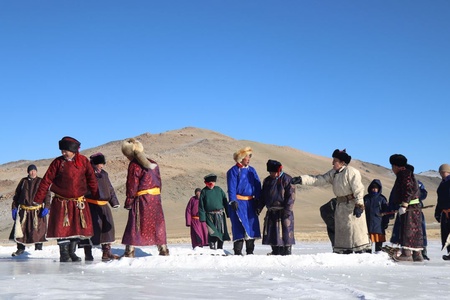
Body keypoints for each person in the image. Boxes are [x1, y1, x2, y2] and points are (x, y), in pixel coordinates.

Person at [291, 149, 371, 254]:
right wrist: (301, 179)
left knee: (355, 232)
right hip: (340, 206)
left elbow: (358, 189)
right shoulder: (333, 173)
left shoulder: (351, 172)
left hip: (352, 206)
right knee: (343, 232)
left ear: (342, 162)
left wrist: (359, 205)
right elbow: (319, 179)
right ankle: (344, 251)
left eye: (335, 160)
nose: (332, 162)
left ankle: (361, 254)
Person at [33, 136, 99, 262]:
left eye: (65, 151)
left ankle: (71, 252)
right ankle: (64, 254)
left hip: (78, 202)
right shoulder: (58, 162)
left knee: (75, 229)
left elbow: (92, 179)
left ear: (73, 150)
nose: (63, 153)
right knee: (62, 229)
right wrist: (39, 198)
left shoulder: (84, 161)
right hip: (61, 202)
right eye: (62, 151)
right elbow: (46, 180)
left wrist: (96, 195)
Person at [121, 138, 169, 257]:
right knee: (158, 224)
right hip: (155, 199)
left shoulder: (134, 165)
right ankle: (163, 249)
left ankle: (129, 251)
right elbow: (159, 182)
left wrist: (129, 201)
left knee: (134, 223)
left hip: (142, 200)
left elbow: (132, 185)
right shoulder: (154, 163)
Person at [79, 153, 120, 261]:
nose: (101, 166)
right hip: (90, 205)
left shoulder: (104, 174)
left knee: (107, 229)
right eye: (99, 163)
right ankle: (88, 253)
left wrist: (114, 202)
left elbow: (110, 188)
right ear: (94, 163)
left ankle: (106, 253)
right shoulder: (86, 173)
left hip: (104, 206)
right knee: (90, 230)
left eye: (102, 163)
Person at [226, 146, 261, 255]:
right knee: (239, 226)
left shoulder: (252, 170)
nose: (248, 159)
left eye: (249, 156)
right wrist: (233, 200)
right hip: (238, 202)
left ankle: (250, 252)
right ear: (241, 158)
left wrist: (258, 200)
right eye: (246, 156)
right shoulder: (233, 171)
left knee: (251, 226)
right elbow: (231, 187)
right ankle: (237, 252)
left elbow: (257, 185)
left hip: (250, 203)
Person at [9, 164, 51, 256]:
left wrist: (47, 207)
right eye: (31, 171)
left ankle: (39, 249)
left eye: (34, 170)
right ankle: (20, 249)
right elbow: (17, 196)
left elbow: (47, 195)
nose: (33, 172)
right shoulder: (23, 181)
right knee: (21, 230)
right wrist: (14, 208)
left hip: (37, 211)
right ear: (28, 172)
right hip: (24, 211)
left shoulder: (41, 181)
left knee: (38, 230)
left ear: (36, 171)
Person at [388, 154, 423, 262]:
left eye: (392, 166)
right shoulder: (408, 173)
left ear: (396, 166)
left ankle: (406, 254)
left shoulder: (404, 174)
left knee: (407, 229)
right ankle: (417, 255)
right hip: (413, 207)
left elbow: (408, 190)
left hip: (409, 207)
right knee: (414, 230)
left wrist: (404, 205)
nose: (392, 169)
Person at [257, 159, 295, 255]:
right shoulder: (267, 181)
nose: (271, 174)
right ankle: (275, 250)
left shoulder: (287, 179)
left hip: (284, 211)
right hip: (271, 211)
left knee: (285, 231)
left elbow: (291, 197)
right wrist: (259, 207)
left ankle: (287, 251)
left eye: (273, 172)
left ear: (278, 171)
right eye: (270, 172)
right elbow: (263, 196)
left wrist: (287, 211)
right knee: (272, 232)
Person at [198, 173, 231, 250]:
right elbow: (201, 206)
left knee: (221, 232)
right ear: (206, 183)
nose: (211, 184)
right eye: (209, 183)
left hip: (220, 215)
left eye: (213, 183)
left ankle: (220, 248)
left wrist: (228, 213)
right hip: (209, 216)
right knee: (212, 232)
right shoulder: (204, 191)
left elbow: (225, 201)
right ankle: (212, 248)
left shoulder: (219, 190)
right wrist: (202, 218)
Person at [363, 179, 389, 253]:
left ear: (379, 189)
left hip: (379, 223)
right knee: (367, 242)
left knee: (379, 243)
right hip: (367, 223)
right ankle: (367, 256)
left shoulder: (382, 199)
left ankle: (378, 255)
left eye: (376, 188)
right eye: (373, 188)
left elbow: (386, 212)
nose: (374, 190)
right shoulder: (366, 198)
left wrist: (386, 222)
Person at [435, 163, 450, 260]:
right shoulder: (442, 183)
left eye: (442, 172)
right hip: (444, 212)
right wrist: (438, 211)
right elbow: (440, 199)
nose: (441, 173)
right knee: (446, 233)